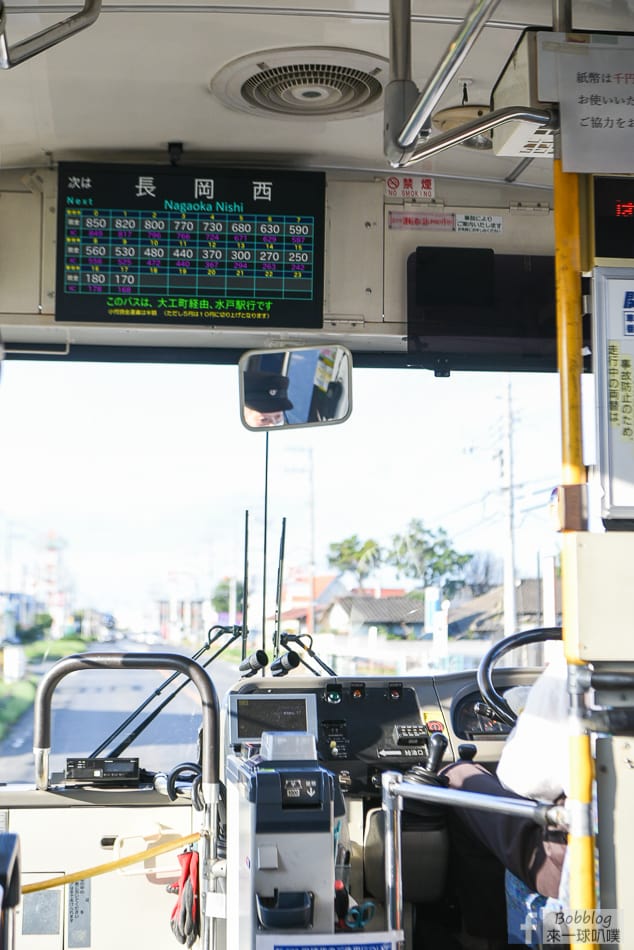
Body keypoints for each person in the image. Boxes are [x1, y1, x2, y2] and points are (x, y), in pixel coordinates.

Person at [440, 646, 569, 945]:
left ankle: (482, 938)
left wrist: (526, 713)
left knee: (459, 779)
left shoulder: (575, 664)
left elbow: (521, 779)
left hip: (575, 864)